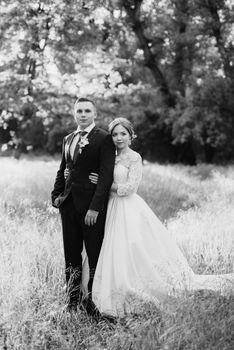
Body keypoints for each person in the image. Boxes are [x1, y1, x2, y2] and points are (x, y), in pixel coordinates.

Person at [85, 117, 234, 317]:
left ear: (131, 136)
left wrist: (103, 184)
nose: (119, 138)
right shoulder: (108, 155)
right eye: (114, 134)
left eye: (123, 134)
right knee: (109, 248)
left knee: (131, 247)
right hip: (108, 207)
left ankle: (135, 286)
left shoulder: (134, 157)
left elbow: (130, 188)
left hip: (127, 208)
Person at [51, 97, 115, 315]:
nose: (83, 114)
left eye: (88, 110)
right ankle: (72, 301)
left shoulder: (104, 138)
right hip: (68, 206)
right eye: (79, 111)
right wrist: (56, 196)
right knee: (71, 254)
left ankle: (94, 301)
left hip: (91, 209)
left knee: (94, 254)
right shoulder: (68, 138)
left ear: (95, 113)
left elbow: (105, 177)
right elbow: (63, 170)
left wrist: (95, 208)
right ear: (74, 113)